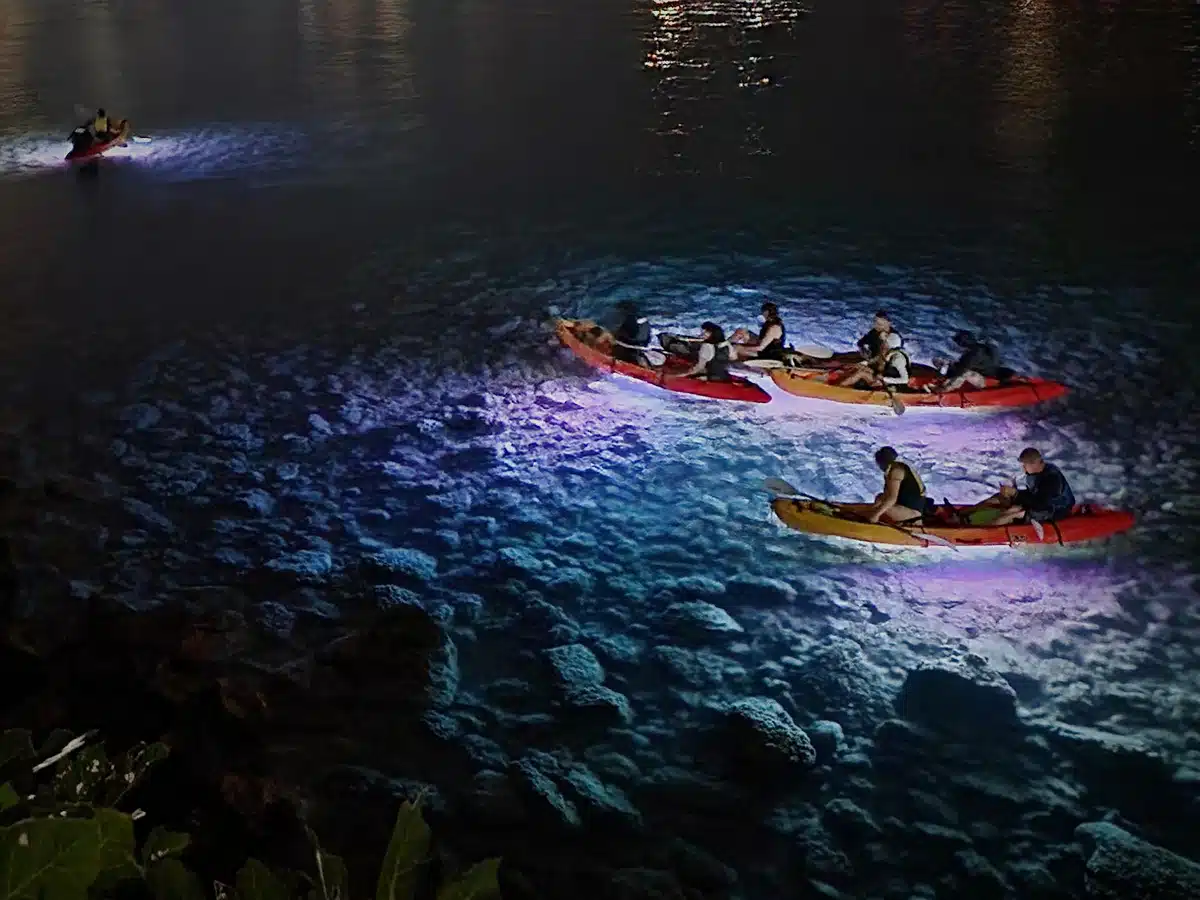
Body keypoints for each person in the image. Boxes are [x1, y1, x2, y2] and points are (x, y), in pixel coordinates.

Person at [974, 448, 1076, 526]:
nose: (1023, 468)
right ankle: (964, 513)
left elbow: (1041, 503)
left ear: (1033, 464)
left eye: (1025, 465)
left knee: (1015, 512)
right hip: (1040, 505)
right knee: (1001, 497)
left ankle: (979, 532)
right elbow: (1033, 495)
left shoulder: (1051, 478)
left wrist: (1016, 494)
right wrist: (1013, 494)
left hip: (1055, 510)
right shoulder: (1035, 474)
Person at [866, 446, 932, 524]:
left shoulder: (896, 472)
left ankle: (912, 523)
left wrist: (875, 515)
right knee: (880, 498)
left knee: (880, 503)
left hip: (914, 513)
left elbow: (892, 499)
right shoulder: (896, 467)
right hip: (906, 506)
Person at [836, 332, 912, 390]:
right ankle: (840, 379)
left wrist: (884, 379)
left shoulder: (898, 360)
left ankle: (838, 388)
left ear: (889, 344)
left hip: (889, 384)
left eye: (885, 342)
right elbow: (874, 360)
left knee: (861, 373)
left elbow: (905, 380)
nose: (883, 343)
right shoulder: (890, 353)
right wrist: (860, 364)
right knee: (860, 367)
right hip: (882, 377)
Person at [934, 331, 1004, 392]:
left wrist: (948, 374)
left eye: (958, 342)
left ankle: (944, 389)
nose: (957, 345)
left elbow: (961, 370)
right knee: (960, 370)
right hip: (988, 375)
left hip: (986, 381)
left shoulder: (974, 353)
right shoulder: (979, 348)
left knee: (964, 373)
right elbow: (963, 365)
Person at [611, 301, 652, 365]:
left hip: (630, 345)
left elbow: (620, 334)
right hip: (641, 345)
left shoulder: (629, 319)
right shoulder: (644, 321)